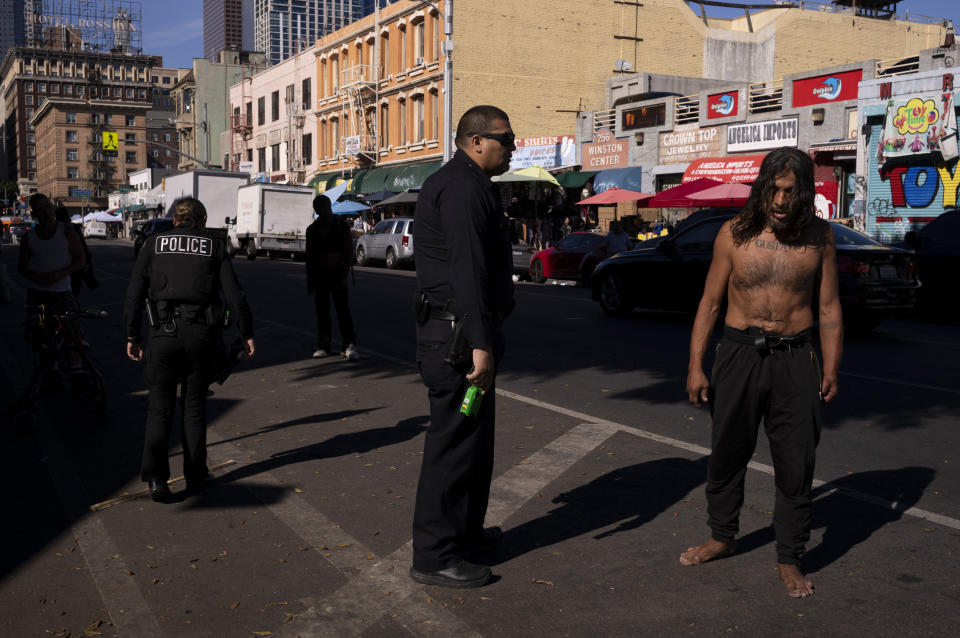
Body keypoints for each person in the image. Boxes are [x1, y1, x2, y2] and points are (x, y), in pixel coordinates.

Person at [681, 147, 843, 598]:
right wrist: (696, 366)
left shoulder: (820, 238)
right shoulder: (733, 234)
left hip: (797, 358)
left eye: (790, 191)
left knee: (796, 462)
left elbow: (829, 308)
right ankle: (722, 535)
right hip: (738, 354)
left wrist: (832, 366)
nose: (780, 198)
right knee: (728, 451)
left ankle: (789, 557)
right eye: (772, 188)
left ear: (805, 191)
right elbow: (709, 304)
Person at [410, 105, 516, 588]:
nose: (511, 146)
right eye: (505, 139)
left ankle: (465, 532)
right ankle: (435, 556)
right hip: (455, 338)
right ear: (476, 141)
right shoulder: (461, 187)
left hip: (463, 331)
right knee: (452, 448)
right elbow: (466, 269)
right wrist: (480, 342)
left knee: (474, 445)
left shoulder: (473, 185)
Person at [123, 197, 255, 502]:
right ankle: (196, 476)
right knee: (194, 407)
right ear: (203, 219)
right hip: (201, 336)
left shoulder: (154, 244)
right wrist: (246, 332)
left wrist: (132, 334)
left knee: (160, 408)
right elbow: (236, 295)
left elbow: (134, 293)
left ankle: (157, 480)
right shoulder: (213, 245)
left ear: (174, 220)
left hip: (163, 335)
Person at [306, 194, 359, 360]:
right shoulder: (312, 230)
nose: (325, 211)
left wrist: (343, 272)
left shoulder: (340, 226)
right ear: (317, 211)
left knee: (342, 310)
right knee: (322, 311)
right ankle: (323, 344)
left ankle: (349, 344)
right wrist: (310, 281)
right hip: (321, 275)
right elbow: (310, 257)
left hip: (337, 274)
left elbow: (349, 251)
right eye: (321, 209)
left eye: (326, 207)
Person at [18, 194, 86, 314]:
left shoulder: (67, 232)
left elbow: (81, 261)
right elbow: (22, 267)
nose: (46, 212)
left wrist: (60, 274)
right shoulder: (27, 237)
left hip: (62, 292)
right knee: (37, 330)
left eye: (48, 207)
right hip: (36, 293)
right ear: (34, 214)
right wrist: (34, 276)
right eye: (40, 209)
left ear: (52, 208)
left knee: (69, 330)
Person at [54, 207, 98, 299]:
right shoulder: (72, 228)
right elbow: (84, 248)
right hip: (75, 267)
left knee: (68, 292)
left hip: (69, 267)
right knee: (74, 293)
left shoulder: (60, 230)